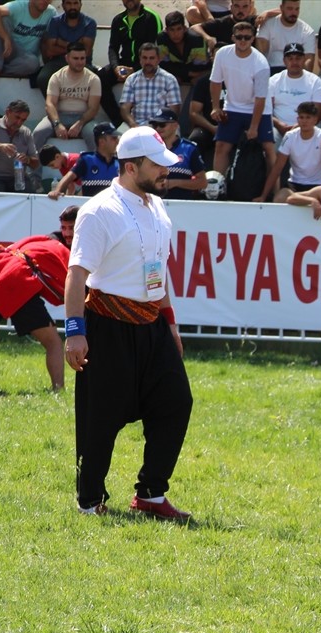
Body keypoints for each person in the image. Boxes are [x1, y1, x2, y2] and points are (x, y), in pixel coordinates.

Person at [64, 126, 193, 519]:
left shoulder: (158, 206)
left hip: (153, 324)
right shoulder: (100, 210)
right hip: (107, 324)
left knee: (176, 402)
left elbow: (159, 270)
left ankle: (151, 494)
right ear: (132, 167)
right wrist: (75, 332)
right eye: (158, 165)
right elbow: (76, 274)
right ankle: (90, 500)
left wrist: (170, 324)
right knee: (100, 418)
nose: (166, 171)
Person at [0, 234, 70, 392]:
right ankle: (58, 389)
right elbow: (67, 283)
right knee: (53, 342)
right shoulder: (59, 249)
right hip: (16, 280)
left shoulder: (32, 242)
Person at [209, 19, 273, 177]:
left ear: (253, 39)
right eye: (239, 37)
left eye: (247, 37)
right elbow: (215, 81)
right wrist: (215, 107)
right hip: (232, 107)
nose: (243, 40)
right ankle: (217, 186)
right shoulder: (223, 54)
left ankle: (274, 189)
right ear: (233, 38)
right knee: (221, 146)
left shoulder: (261, 63)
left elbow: (260, 98)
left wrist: (254, 127)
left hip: (258, 109)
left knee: (268, 148)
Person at [101, 0, 163, 131]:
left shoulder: (151, 18)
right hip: (124, 64)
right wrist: (116, 67)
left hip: (146, 64)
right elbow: (113, 47)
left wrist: (134, 69)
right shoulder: (118, 20)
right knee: (100, 78)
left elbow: (155, 50)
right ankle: (119, 122)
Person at [259, 100, 321, 200]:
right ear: (298, 119)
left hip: (319, 186)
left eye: (308, 117)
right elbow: (277, 168)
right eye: (301, 117)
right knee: (280, 198)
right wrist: (263, 196)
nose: (304, 121)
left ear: (315, 120)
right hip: (295, 186)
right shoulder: (290, 136)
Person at [34, 42, 102, 150]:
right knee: (38, 132)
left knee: (95, 135)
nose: (79, 62)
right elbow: (50, 104)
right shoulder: (56, 77)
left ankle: (95, 161)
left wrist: (80, 124)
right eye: (75, 58)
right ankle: (32, 161)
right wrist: (57, 124)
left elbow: (93, 108)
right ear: (67, 58)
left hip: (84, 119)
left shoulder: (93, 79)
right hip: (59, 116)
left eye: (82, 58)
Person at [267, 42, 321, 145]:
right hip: (279, 129)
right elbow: (266, 110)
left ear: (304, 59)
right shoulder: (273, 81)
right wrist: (279, 124)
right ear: (284, 61)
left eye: (298, 58)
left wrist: (299, 126)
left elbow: (319, 113)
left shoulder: (315, 81)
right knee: (269, 139)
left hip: (308, 127)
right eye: (290, 58)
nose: (294, 62)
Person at [34, 0, 97, 93]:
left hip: (82, 62)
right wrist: (76, 45)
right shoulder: (55, 21)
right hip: (58, 62)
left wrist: (60, 42)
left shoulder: (89, 23)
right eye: (68, 3)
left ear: (80, 5)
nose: (72, 7)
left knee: (93, 79)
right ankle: (55, 101)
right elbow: (50, 51)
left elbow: (86, 52)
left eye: (75, 3)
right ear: (63, 5)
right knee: (43, 78)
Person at [0, 0, 54, 79]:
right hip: (7, 48)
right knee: (2, 18)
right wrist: (6, 38)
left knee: (33, 64)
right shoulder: (19, 6)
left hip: (26, 58)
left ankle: (1, 70)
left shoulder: (51, 13)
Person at [120, 42, 181, 128]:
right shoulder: (131, 79)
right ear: (140, 59)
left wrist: (159, 127)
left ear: (158, 59)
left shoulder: (170, 80)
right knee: (117, 135)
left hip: (161, 126)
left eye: (151, 58)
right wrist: (133, 124)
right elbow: (124, 108)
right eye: (144, 58)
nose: (148, 62)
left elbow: (174, 111)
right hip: (136, 124)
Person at [151, 108, 206, 199]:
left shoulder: (189, 149)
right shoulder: (148, 149)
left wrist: (175, 183)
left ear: (175, 126)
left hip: (182, 204)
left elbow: (202, 182)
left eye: (162, 125)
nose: (158, 128)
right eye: (155, 125)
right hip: (153, 203)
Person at [256, 0, 316, 75]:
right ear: (281, 8)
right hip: (270, 70)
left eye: (297, 9)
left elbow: (308, 62)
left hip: (295, 72)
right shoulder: (268, 25)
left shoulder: (307, 31)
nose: (294, 13)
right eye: (290, 9)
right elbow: (259, 54)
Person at [157, 10, 211, 85]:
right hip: (176, 75)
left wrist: (179, 70)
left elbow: (200, 68)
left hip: (198, 74)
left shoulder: (197, 41)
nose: (176, 34)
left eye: (179, 29)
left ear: (185, 28)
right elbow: (163, 65)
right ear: (166, 30)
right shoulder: (162, 40)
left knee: (198, 80)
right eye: (172, 30)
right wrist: (187, 72)